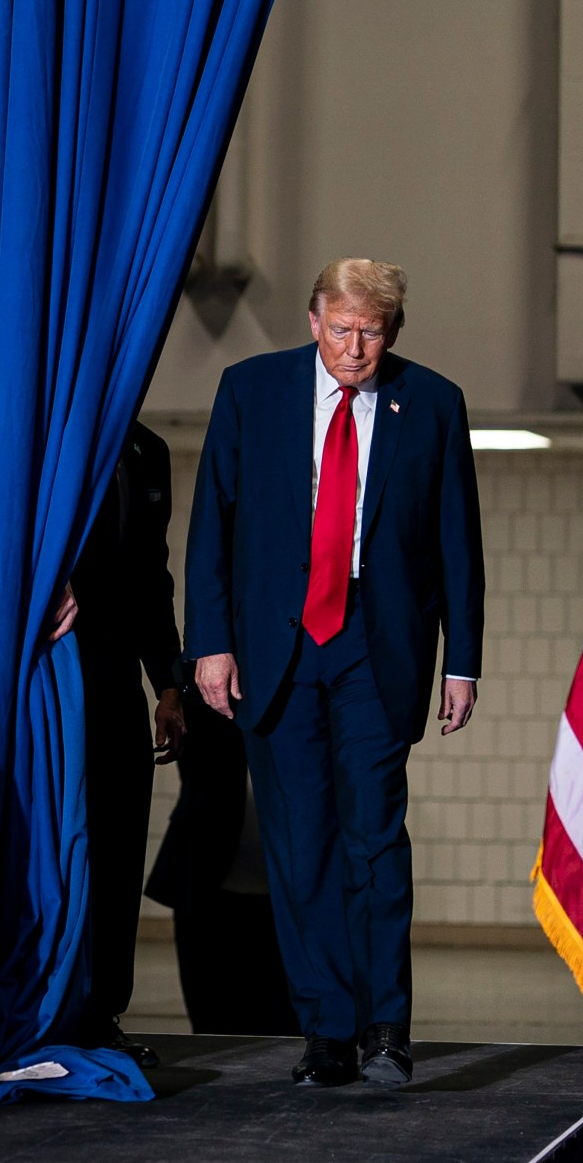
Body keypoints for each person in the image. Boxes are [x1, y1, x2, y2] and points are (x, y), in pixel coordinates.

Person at [184, 257, 485, 1088]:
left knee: (375, 839)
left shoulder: (431, 403)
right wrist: (208, 643)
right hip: (277, 648)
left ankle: (386, 1027)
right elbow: (214, 524)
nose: (356, 348)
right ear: (314, 319)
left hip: (374, 642)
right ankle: (326, 1029)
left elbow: (457, 541)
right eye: (343, 328)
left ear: (392, 334)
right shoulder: (251, 391)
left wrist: (463, 660)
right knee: (299, 844)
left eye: (373, 332)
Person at [53, 420, 183, 1066]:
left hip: (114, 677)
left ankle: (102, 1012)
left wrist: (168, 682)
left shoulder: (145, 450)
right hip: (46, 672)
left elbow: (150, 576)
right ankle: (48, 1008)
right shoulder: (48, 428)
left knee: (118, 841)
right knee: (55, 845)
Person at [143, 662, 298, 1037]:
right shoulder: (203, 693)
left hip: (280, 888)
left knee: (285, 1027)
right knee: (214, 1025)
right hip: (207, 877)